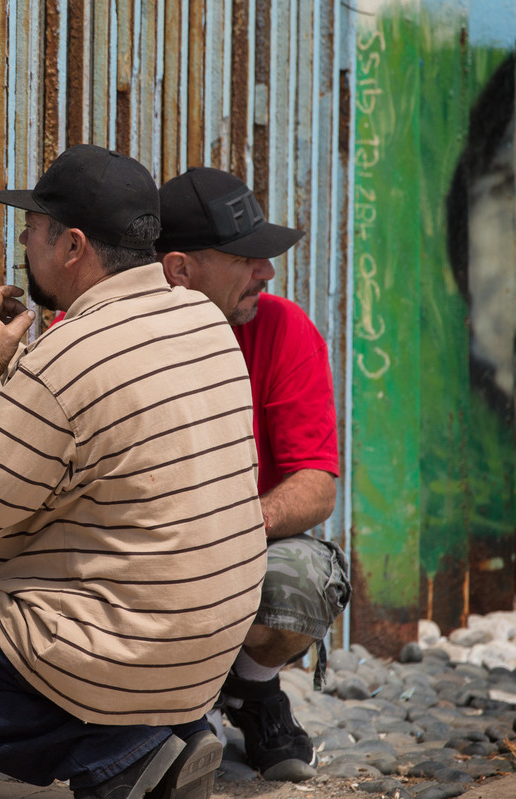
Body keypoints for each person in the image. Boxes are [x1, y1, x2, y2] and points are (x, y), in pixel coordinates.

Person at [0, 144, 267, 799]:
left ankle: (117, 753)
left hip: (124, 649)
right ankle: (163, 734)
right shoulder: (200, 318)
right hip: (202, 652)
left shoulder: (69, 355)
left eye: (32, 228)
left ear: (71, 246)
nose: (24, 242)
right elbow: (75, 405)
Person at [155, 167, 351, 782]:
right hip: (145, 564)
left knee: (303, 580)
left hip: (241, 546)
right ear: (180, 269)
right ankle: (181, 705)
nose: (267, 271)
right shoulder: (120, 333)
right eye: (247, 257)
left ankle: (252, 688)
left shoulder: (285, 329)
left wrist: (244, 522)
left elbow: (317, 481)